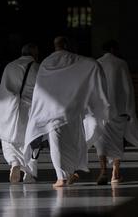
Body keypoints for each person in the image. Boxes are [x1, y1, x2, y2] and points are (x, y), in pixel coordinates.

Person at [24, 36, 112, 188]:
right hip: (73, 109)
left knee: (57, 144)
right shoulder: (76, 59)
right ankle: (70, 171)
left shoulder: (47, 62)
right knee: (74, 142)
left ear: (55, 46)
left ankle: (61, 177)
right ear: (66, 45)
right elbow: (91, 64)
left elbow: (41, 89)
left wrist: (38, 112)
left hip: (53, 111)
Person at [92, 39, 138, 185]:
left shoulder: (96, 63)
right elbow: (127, 88)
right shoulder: (121, 63)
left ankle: (103, 171)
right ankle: (115, 174)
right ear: (113, 49)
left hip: (100, 110)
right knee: (117, 141)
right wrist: (130, 109)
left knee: (100, 142)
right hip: (118, 110)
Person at [0, 43, 40, 184]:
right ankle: (29, 174)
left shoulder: (10, 66)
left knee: (9, 138)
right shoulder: (37, 68)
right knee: (31, 141)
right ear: (34, 54)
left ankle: (14, 162)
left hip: (9, 108)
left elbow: (3, 89)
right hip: (30, 109)